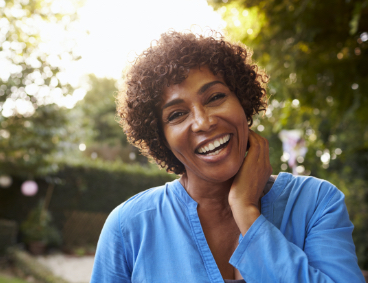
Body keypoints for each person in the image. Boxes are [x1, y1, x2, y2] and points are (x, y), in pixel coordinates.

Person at [90, 30, 365, 283]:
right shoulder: (128, 227)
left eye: (215, 97)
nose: (203, 122)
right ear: (160, 138)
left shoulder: (316, 203)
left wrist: (246, 211)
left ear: (243, 102)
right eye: (176, 114)